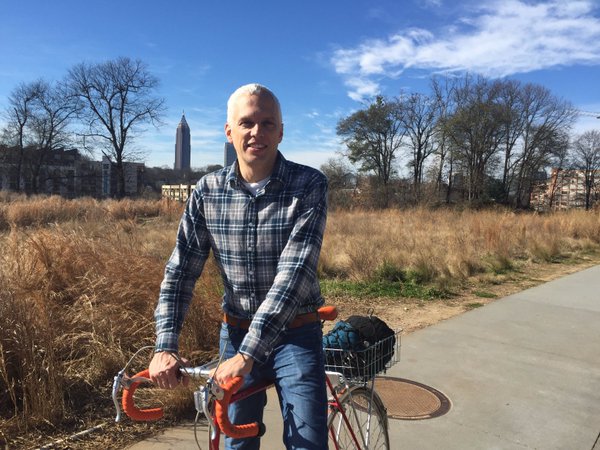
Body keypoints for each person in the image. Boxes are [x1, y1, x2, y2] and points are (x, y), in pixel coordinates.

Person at [149, 83, 329, 450]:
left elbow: (294, 275)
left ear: (281, 131)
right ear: (229, 131)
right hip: (234, 332)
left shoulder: (309, 184)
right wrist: (165, 345)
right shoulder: (206, 191)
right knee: (235, 443)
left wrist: (249, 354)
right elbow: (181, 271)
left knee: (307, 443)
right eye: (246, 123)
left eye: (267, 123)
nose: (256, 133)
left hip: (296, 334)